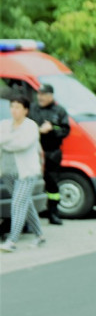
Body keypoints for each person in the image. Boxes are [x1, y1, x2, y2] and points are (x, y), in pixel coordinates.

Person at [1, 93, 45, 251]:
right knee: (26, 203)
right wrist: (10, 139)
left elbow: (22, 144)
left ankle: (12, 241)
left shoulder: (31, 126)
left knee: (18, 203)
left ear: (25, 110)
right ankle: (40, 235)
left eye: (18, 107)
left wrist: (6, 141)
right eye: (12, 107)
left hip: (26, 172)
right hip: (7, 172)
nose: (14, 110)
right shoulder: (4, 124)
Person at [28, 83, 69, 225]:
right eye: (39, 94)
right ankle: (28, 218)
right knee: (30, 184)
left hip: (52, 152)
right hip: (33, 152)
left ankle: (53, 213)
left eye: (43, 94)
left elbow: (65, 130)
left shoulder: (59, 110)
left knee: (52, 184)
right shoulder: (32, 108)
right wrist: (39, 130)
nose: (40, 97)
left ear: (51, 96)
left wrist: (52, 128)